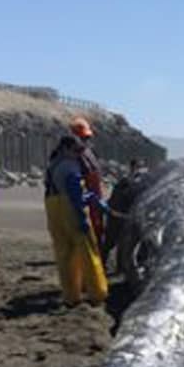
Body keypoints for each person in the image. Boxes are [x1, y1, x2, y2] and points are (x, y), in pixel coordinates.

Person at [45, 134, 109, 307]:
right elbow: (74, 193)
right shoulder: (70, 166)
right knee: (88, 251)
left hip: (54, 210)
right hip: (70, 210)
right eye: (77, 150)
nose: (79, 154)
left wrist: (89, 198)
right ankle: (98, 293)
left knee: (65, 255)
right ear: (66, 149)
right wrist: (85, 211)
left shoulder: (53, 164)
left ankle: (71, 296)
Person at [70, 117, 107, 253]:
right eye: (83, 138)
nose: (85, 140)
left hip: (95, 189)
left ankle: (98, 244)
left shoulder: (88, 152)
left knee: (98, 219)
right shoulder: (75, 155)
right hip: (87, 191)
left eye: (86, 138)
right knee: (86, 221)